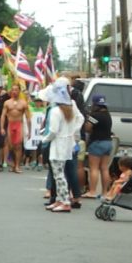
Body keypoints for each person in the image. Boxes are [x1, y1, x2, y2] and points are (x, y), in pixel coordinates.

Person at [43, 83, 84, 213]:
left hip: (58, 145)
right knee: (60, 174)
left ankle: (65, 201)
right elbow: (80, 119)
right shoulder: (70, 109)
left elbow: (53, 131)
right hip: (68, 144)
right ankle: (60, 200)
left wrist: (44, 139)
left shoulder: (56, 111)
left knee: (59, 175)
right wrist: (74, 134)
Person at [83, 95, 114, 199]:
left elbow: (88, 128)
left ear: (95, 104)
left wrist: (88, 120)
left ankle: (92, 191)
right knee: (105, 168)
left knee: (94, 168)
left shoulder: (95, 116)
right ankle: (105, 193)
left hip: (97, 142)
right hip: (108, 143)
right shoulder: (107, 115)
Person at [0, 85, 31, 173]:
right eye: (13, 90)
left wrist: (29, 130)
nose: (14, 91)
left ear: (19, 91)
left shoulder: (23, 103)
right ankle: (13, 164)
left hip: (19, 125)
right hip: (10, 125)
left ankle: (17, 166)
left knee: (18, 145)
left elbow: (28, 117)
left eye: (16, 90)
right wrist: (2, 127)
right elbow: (3, 116)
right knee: (11, 146)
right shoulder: (7, 103)